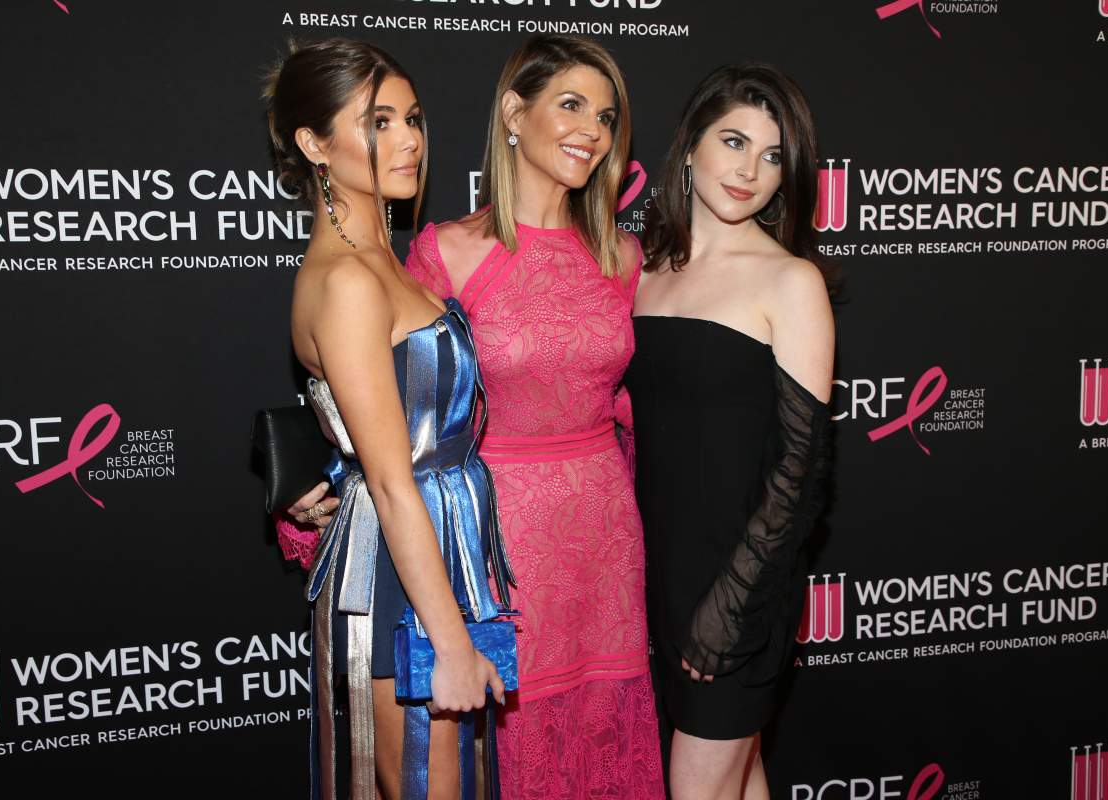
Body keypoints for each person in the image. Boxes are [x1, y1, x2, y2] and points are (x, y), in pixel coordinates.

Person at [295, 34, 665, 799]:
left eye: (606, 115)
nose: (591, 129)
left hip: (598, 541)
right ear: (511, 113)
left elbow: (652, 403)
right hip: (483, 550)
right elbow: (386, 421)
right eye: (569, 104)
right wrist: (313, 487)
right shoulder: (435, 254)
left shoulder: (627, 260)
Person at [265, 39, 511, 800]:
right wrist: (450, 642)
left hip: (443, 560)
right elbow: (391, 480)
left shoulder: (386, 262)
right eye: (378, 122)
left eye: (413, 118)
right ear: (314, 144)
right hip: (398, 591)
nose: (409, 139)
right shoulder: (344, 282)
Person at [625, 64, 836, 800]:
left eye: (773, 155)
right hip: (651, 576)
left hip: (738, 589)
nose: (750, 169)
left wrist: (731, 608)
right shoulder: (642, 270)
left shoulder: (790, 282)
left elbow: (801, 474)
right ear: (690, 147)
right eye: (734, 141)